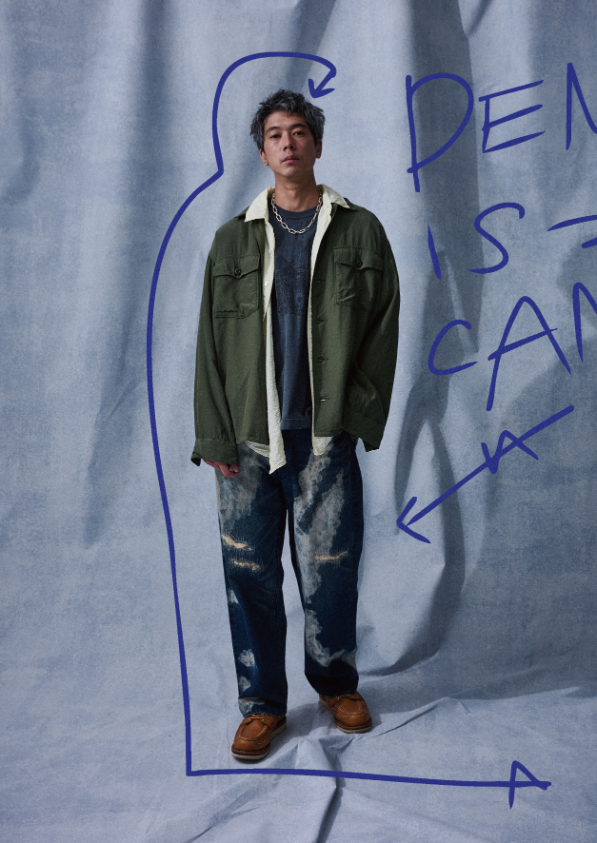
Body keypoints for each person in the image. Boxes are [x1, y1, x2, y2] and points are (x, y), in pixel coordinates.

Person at [192, 89, 400, 762]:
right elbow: (209, 344)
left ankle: (336, 684)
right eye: (276, 134)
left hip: (322, 436)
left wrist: (353, 418)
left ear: (317, 143)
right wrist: (214, 435)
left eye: (299, 131)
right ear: (263, 152)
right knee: (248, 573)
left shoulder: (359, 230)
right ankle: (262, 705)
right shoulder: (232, 238)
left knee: (330, 572)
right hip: (248, 439)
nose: (288, 142)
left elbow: (383, 327)